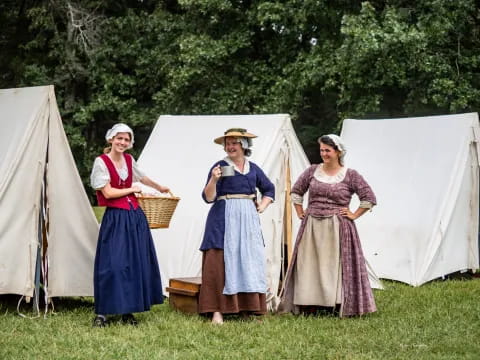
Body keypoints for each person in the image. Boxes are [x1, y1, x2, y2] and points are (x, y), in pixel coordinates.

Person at [278, 134, 377, 317]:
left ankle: (336, 303)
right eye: (322, 150)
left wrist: (354, 214)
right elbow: (296, 192)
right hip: (312, 226)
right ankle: (310, 304)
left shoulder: (350, 175)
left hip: (337, 226)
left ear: (338, 152)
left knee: (333, 265)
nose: (323, 153)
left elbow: (368, 197)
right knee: (310, 264)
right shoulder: (312, 171)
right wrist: (300, 212)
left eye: (327, 150)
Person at [90, 123, 170, 327]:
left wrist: (159, 187)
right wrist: (133, 189)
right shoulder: (101, 162)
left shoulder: (128, 159)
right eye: (119, 138)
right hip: (116, 219)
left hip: (135, 217)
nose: (123, 143)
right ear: (111, 139)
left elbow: (141, 176)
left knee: (134, 264)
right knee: (113, 265)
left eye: (126, 139)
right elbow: (107, 193)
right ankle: (103, 312)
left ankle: (128, 310)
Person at [198, 128, 275, 324]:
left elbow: (269, 189)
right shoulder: (220, 166)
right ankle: (217, 311)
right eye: (228, 143)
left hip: (247, 220)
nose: (230, 146)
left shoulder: (254, 168)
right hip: (223, 218)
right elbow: (208, 197)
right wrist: (214, 180)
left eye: (234, 143)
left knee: (248, 261)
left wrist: (262, 205)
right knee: (217, 261)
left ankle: (248, 308)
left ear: (244, 146)